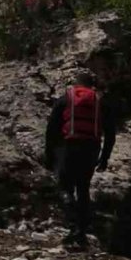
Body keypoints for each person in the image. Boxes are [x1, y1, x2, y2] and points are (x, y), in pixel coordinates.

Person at [44, 71, 117, 244]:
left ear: (75, 84)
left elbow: (51, 129)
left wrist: (49, 155)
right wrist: (104, 158)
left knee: (65, 187)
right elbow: (110, 133)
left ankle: (71, 220)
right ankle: (81, 231)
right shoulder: (100, 102)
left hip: (68, 148)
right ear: (92, 86)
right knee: (83, 188)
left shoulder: (65, 99)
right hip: (91, 149)